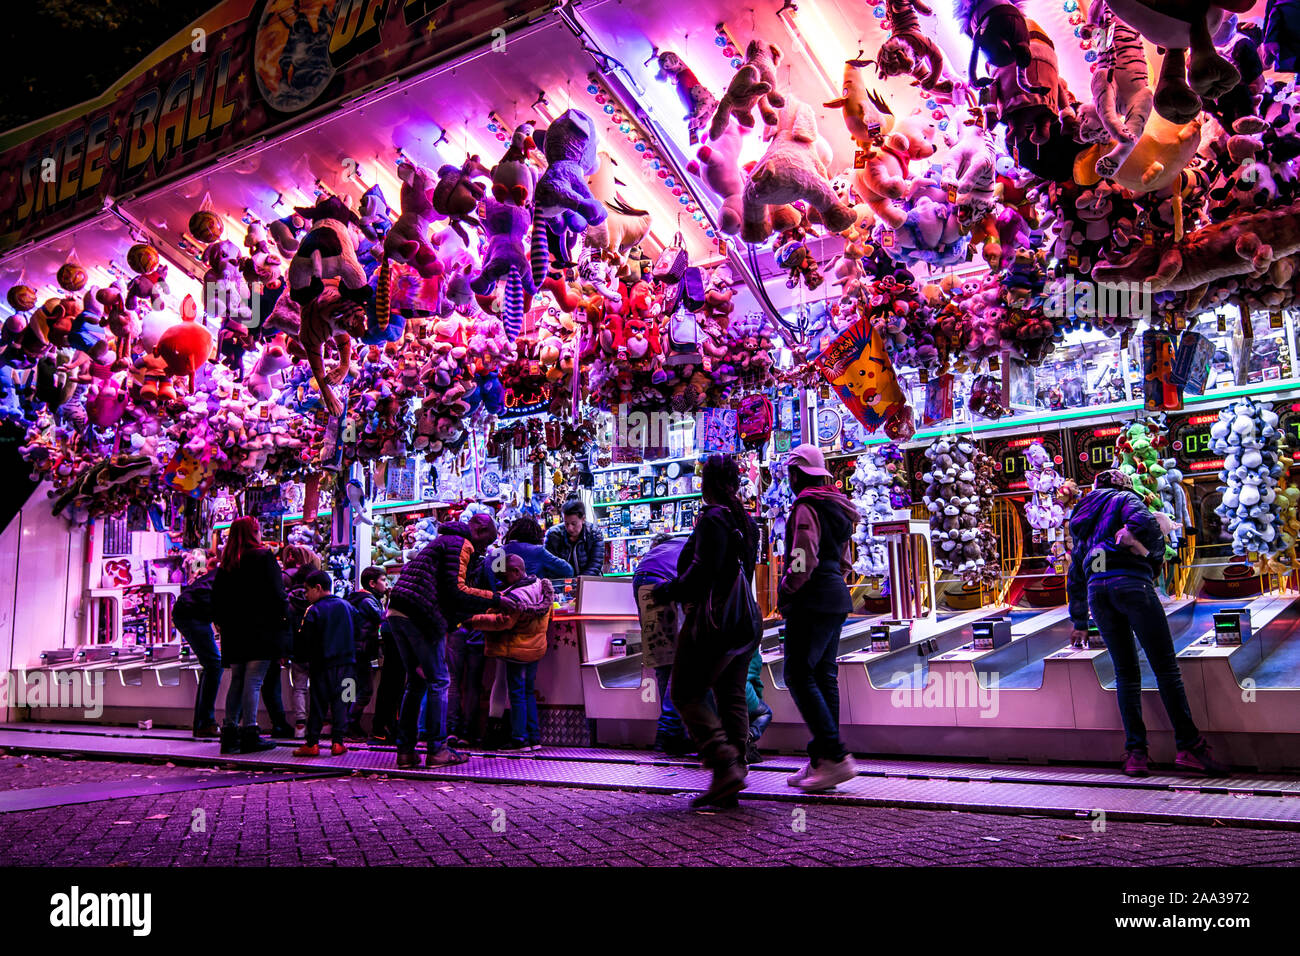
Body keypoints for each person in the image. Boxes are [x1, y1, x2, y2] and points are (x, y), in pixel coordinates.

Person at [1066, 469, 1228, 777]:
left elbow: (1076, 572)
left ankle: (1136, 754)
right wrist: (1151, 556)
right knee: (1166, 668)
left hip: (1097, 591)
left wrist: (1079, 621)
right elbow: (1146, 525)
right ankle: (1189, 747)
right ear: (1123, 485)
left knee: (1126, 674)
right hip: (1130, 584)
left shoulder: (1082, 516)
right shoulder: (1125, 498)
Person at [651, 455, 760, 808]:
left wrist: (669, 590)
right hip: (746, 621)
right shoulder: (747, 521)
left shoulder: (712, 518)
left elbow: (701, 573)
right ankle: (736, 770)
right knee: (731, 695)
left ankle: (723, 762)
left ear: (706, 483)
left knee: (685, 691)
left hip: (713, 623)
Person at [388, 515, 501, 768]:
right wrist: (495, 598)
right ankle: (438, 749)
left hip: (398, 610)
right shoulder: (461, 543)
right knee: (439, 680)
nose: (484, 548)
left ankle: (405, 751)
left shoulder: (442, 541)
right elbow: (455, 589)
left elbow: (447, 592)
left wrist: (462, 620)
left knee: (416, 682)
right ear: (479, 530)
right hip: (421, 614)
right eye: (487, 541)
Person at [778, 443, 860, 792]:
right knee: (823, 675)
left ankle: (835, 756)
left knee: (797, 674)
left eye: (790, 475)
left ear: (798, 474)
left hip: (812, 597)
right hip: (835, 595)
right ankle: (820, 761)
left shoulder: (806, 506)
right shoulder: (837, 506)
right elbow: (844, 557)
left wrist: (788, 585)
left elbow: (802, 553)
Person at [212, 517, 290, 754]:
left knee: (237, 680)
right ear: (254, 532)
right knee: (254, 681)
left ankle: (229, 731)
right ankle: (250, 731)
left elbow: (217, 600)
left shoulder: (227, 563)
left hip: (234, 631)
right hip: (261, 629)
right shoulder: (263, 557)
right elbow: (278, 595)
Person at [469, 553, 553, 751]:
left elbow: (503, 622)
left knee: (516, 693)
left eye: (505, 575)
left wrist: (473, 620)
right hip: (536, 648)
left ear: (516, 572)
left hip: (515, 648)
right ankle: (534, 738)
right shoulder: (541, 587)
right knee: (528, 692)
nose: (502, 580)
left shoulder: (516, 596)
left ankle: (519, 739)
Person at [632, 532, 691, 754]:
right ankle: (667, 731)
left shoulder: (662, 550)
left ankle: (674, 736)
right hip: (665, 583)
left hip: (641, 580)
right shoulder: (694, 543)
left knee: (661, 657)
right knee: (681, 661)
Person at [292, 570, 357, 757]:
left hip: (322, 666)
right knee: (344, 701)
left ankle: (312, 743)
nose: (305, 595)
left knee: (318, 704)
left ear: (317, 588)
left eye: (307, 590)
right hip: (348, 665)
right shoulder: (347, 606)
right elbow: (361, 627)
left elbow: (305, 639)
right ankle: (339, 742)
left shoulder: (313, 610)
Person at [447, 513, 499, 746]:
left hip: (455, 623)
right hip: (478, 624)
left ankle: (450, 730)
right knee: (473, 682)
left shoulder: (454, 550)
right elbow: (500, 586)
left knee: (452, 680)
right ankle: (468, 732)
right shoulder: (496, 557)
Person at [171, 550, 221, 738]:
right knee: (214, 665)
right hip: (191, 614)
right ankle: (205, 723)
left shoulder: (221, 573)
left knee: (211, 666)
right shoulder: (232, 577)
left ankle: (202, 722)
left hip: (188, 612)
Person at [279, 544, 323, 738]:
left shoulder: (288, 601)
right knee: (317, 686)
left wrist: (284, 652)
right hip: (316, 651)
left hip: (296, 650)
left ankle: (299, 725)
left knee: (299, 687)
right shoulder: (319, 602)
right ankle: (317, 722)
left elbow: (285, 628)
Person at [344, 566, 388, 740]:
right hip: (361, 651)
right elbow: (383, 618)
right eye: (383, 580)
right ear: (372, 583)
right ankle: (350, 724)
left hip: (352, 651)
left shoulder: (358, 598)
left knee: (349, 689)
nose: (386, 584)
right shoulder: (368, 601)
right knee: (365, 690)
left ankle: (344, 725)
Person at [491, 516, 574, 584]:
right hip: (533, 599)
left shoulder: (499, 551)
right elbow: (568, 570)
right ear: (536, 534)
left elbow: (494, 580)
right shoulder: (538, 551)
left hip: (504, 600)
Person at [544, 499, 605, 576]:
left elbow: (595, 565)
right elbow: (549, 565)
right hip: (562, 583)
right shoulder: (553, 535)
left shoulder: (594, 534)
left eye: (574, 524)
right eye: (566, 523)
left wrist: (579, 582)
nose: (570, 528)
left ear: (583, 519)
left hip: (588, 582)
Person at [745, 648, 773, 764]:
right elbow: (754, 677)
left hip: (707, 693)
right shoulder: (752, 649)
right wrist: (758, 698)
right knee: (765, 712)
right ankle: (749, 736)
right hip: (740, 690)